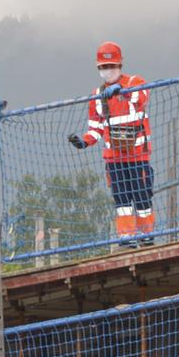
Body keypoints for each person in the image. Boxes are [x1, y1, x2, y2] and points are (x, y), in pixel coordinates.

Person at [67, 42, 154, 239]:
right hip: (114, 160)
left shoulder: (135, 82)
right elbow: (96, 127)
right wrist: (84, 142)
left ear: (120, 65)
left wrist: (120, 90)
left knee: (142, 200)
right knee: (122, 203)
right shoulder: (97, 96)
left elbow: (141, 97)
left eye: (111, 66)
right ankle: (126, 238)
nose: (108, 71)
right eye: (104, 67)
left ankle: (147, 236)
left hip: (137, 157)